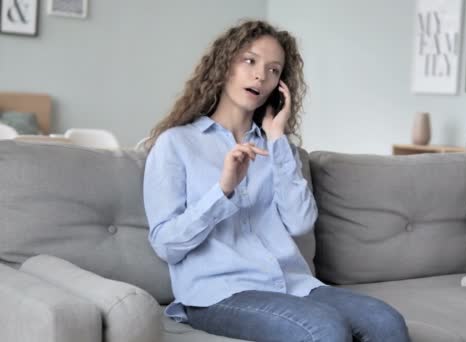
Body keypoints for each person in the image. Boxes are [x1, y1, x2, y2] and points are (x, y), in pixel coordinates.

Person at [143, 19, 410, 342]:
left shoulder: (279, 149)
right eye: (250, 61)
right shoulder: (177, 143)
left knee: (386, 321)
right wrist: (223, 190)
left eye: (273, 70)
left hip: (293, 284)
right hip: (217, 292)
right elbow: (166, 245)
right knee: (324, 329)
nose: (260, 75)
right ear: (225, 64)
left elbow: (300, 223)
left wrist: (277, 137)